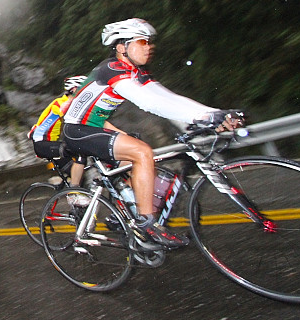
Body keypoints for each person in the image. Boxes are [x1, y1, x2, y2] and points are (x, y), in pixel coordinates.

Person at [60, 18, 242, 248]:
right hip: (77, 130)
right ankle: (146, 225)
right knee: (142, 152)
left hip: (96, 126)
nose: (149, 47)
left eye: (150, 42)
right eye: (142, 42)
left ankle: (124, 213)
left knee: (143, 160)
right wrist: (204, 118)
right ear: (121, 47)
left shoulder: (135, 71)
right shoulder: (111, 69)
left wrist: (215, 113)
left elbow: (167, 98)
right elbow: (149, 103)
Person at [28, 75, 87, 188]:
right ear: (74, 89)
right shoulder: (59, 103)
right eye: (84, 89)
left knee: (79, 172)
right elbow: (78, 119)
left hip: (51, 143)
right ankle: (75, 193)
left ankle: (71, 189)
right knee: (80, 156)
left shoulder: (71, 103)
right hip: (42, 144)